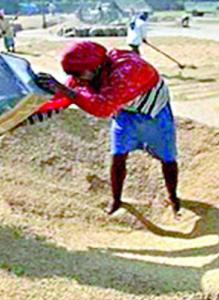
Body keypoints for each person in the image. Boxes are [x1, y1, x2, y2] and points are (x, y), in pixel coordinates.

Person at [33, 41, 180, 217]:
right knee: (118, 156)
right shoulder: (87, 71)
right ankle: (116, 200)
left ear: (95, 68)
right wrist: (29, 111)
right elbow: (63, 97)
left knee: (167, 157)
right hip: (125, 112)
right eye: (71, 74)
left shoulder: (129, 70)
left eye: (78, 74)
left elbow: (101, 108)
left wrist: (66, 91)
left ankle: (173, 197)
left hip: (153, 114)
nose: (76, 78)